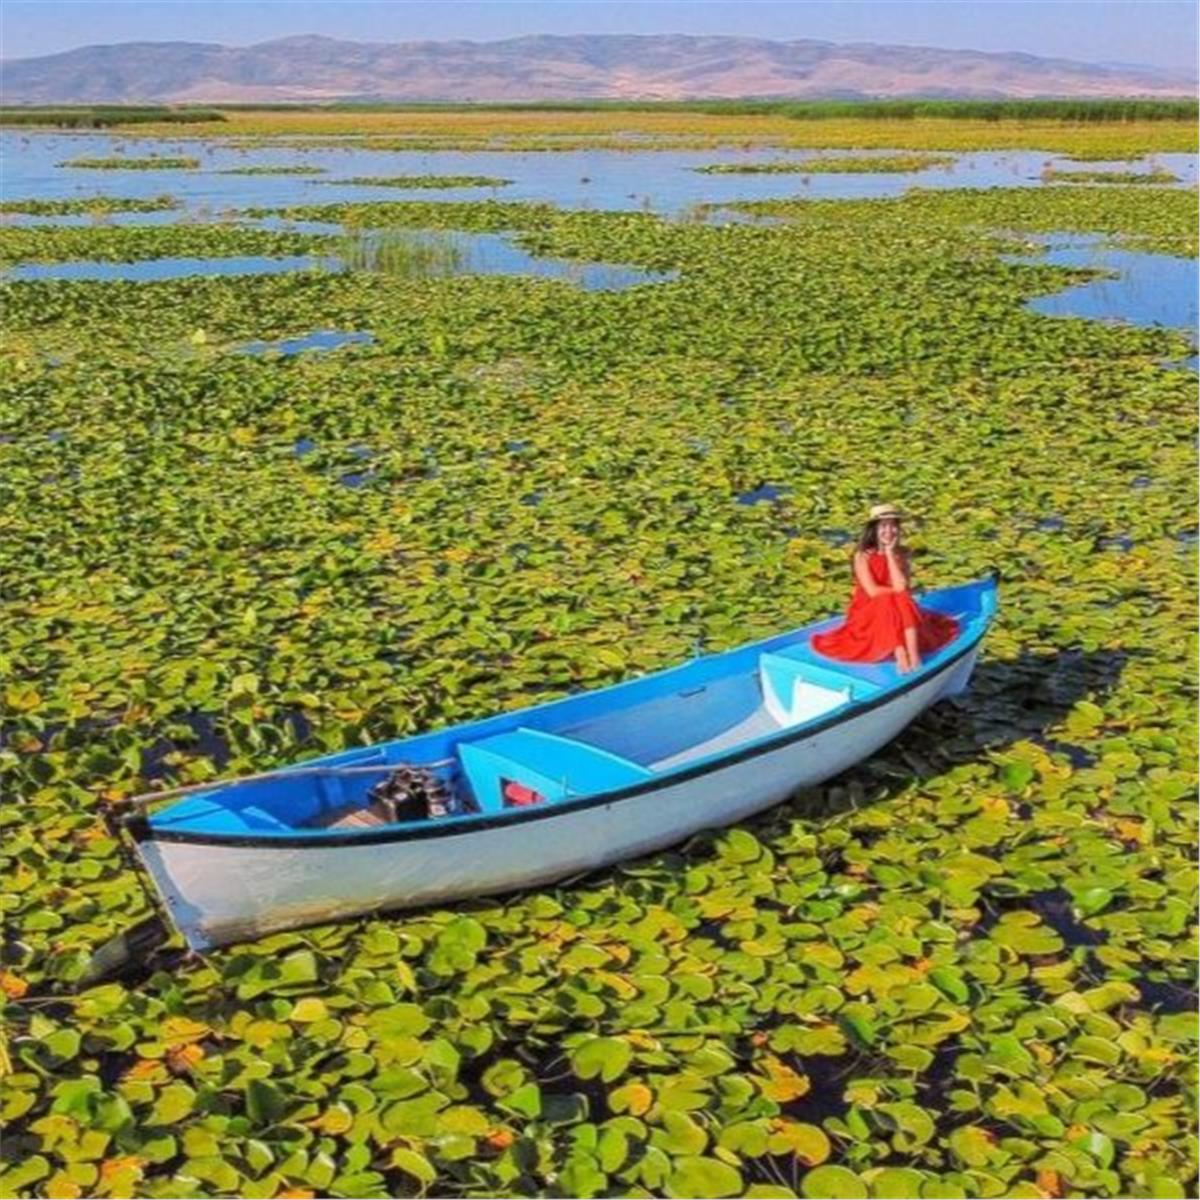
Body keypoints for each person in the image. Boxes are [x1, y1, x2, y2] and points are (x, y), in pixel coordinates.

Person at [810, 504, 958, 674]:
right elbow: (872, 591)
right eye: (883, 526)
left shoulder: (901, 553)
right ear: (874, 529)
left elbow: (902, 585)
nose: (889, 531)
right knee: (890, 599)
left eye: (893, 525)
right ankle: (901, 653)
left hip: (898, 604)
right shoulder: (862, 556)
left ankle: (913, 654)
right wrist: (898, 593)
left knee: (899, 598)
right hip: (867, 609)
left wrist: (889, 553)